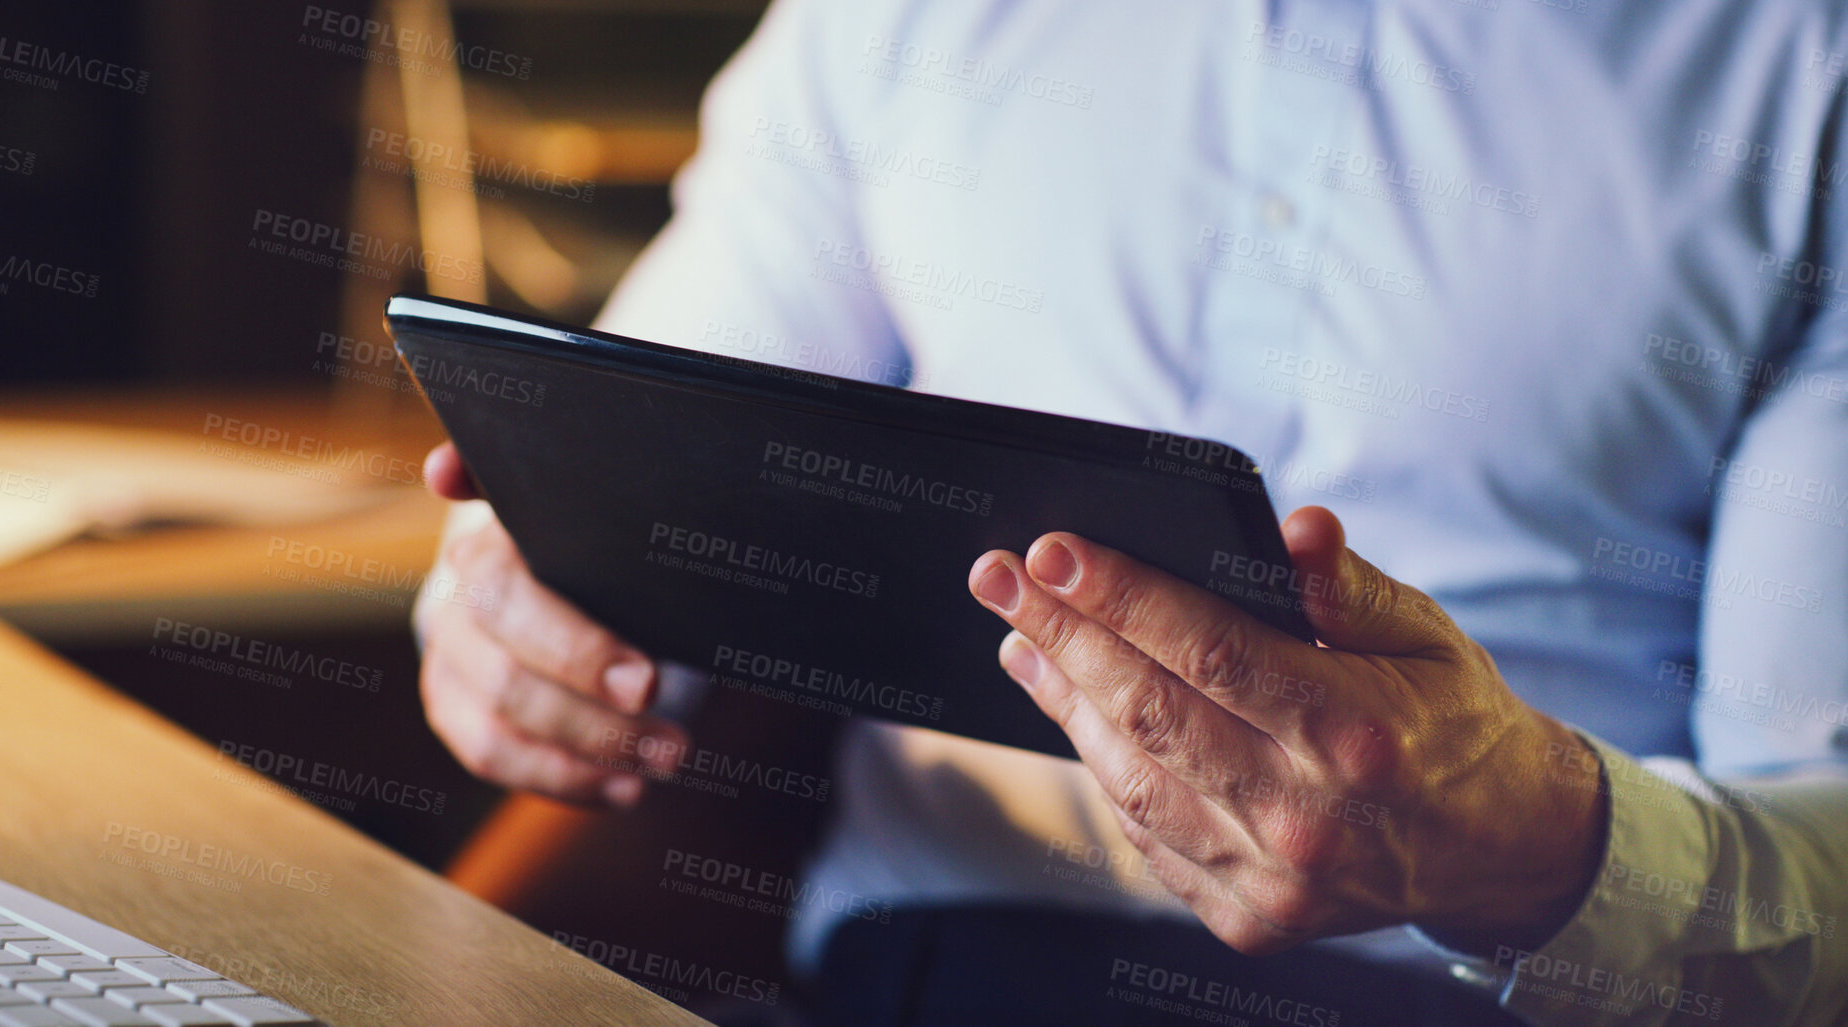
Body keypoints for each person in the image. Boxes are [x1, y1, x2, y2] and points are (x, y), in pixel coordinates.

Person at [414, 1, 1848, 1023]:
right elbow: (633, 469)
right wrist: (515, 611)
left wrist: (1532, 845)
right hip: (919, 971)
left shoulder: (1810, 63)